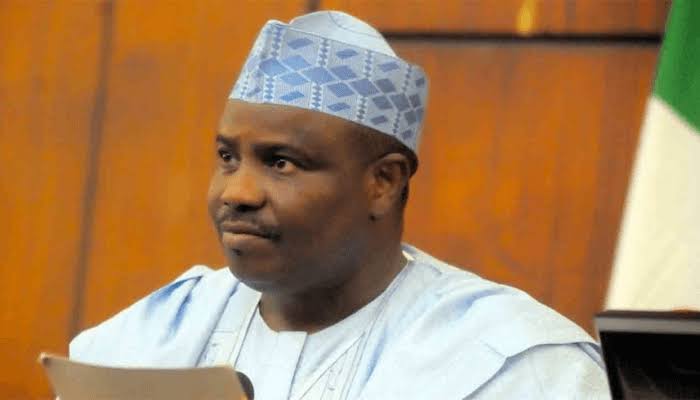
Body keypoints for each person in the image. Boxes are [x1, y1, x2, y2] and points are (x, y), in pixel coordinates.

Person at [69, 11, 610, 399]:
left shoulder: (509, 364)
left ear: (383, 183)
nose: (237, 192)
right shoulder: (154, 335)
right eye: (228, 157)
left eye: (281, 162)